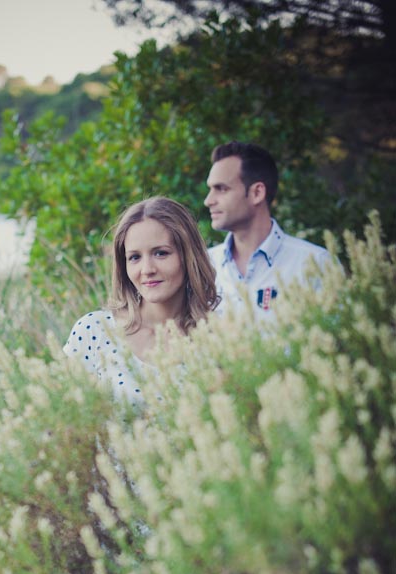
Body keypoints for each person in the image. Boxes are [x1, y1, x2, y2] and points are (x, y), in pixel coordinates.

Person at [63, 196, 219, 404]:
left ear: (188, 256)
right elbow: (65, 427)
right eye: (135, 257)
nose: (147, 270)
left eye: (161, 253)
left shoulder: (219, 338)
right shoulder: (94, 331)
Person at [204, 141, 331, 318]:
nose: (208, 200)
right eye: (210, 189)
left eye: (221, 189)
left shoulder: (314, 264)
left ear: (257, 193)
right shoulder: (202, 267)